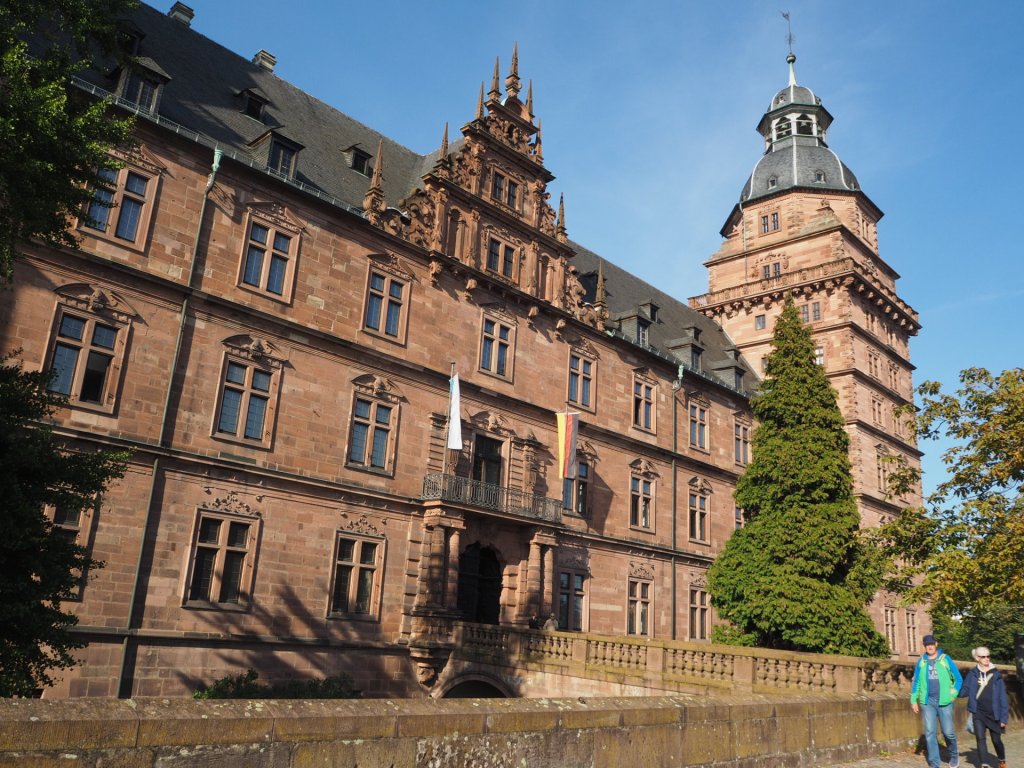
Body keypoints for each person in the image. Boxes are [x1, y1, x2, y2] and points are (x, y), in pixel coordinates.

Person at [911, 633, 963, 768]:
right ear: (924, 646)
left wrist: (953, 694)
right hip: (927, 702)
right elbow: (916, 681)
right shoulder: (921, 662)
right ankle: (935, 763)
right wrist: (913, 700)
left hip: (945, 702)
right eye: (927, 644)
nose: (930, 646)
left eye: (931, 644)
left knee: (948, 733)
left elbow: (958, 679)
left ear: (936, 644)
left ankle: (954, 754)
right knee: (929, 733)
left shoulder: (945, 659)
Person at [960, 646, 1009, 768]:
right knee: (980, 738)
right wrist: (953, 690)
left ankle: (1002, 760)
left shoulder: (996, 675)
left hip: (994, 713)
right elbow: (964, 690)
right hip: (978, 712)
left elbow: (1003, 697)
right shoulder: (973, 674)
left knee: (996, 740)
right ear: (977, 658)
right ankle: (984, 764)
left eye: (988, 656)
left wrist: (1004, 718)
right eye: (983, 657)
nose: (987, 658)